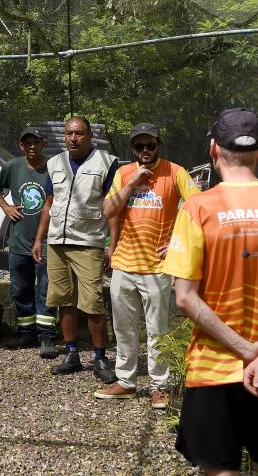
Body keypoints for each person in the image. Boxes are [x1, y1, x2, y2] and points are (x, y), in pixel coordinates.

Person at [163, 109, 258, 475]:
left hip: (213, 370)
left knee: (219, 470)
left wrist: (246, 351)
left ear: (214, 148)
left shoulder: (198, 208)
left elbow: (185, 296)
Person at [95, 123, 200, 407]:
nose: (144, 151)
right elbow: (107, 210)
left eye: (149, 146)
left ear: (158, 146)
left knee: (157, 330)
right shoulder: (122, 173)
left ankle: (159, 386)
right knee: (124, 328)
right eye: (138, 146)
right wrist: (131, 182)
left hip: (157, 266)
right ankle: (126, 382)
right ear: (132, 149)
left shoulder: (175, 172)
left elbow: (199, 208)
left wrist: (179, 240)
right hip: (124, 264)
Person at [31, 117, 118, 383]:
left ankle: (100, 357)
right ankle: (71, 354)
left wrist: (111, 245)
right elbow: (49, 203)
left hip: (89, 241)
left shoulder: (106, 162)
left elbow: (113, 206)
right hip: (57, 241)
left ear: (89, 136)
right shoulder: (55, 163)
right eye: (69, 133)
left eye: (79, 133)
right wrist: (39, 239)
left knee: (92, 303)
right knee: (63, 301)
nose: (73, 138)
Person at [0, 127, 58, 358]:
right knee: (21, 288)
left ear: (43, 144)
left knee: (47, 289)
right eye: (27, 143)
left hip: (46, 240)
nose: (31, 147)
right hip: (18, 241)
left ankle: (46, 336)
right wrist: (5, 206)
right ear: (20, 146)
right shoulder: (13, 166)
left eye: (35, 142)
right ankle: (27, 332)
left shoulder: (53, 168)